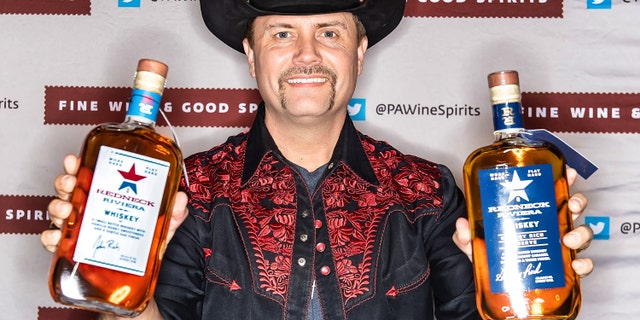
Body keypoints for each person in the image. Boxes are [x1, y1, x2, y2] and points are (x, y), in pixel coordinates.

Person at [41, 0, 595, 319]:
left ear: (357, 53)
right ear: (253, 57)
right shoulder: (191, 189)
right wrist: (122, 285)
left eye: (329, 32)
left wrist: (535, 282)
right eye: (283, 34)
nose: (307, 54)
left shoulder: (428, 191)